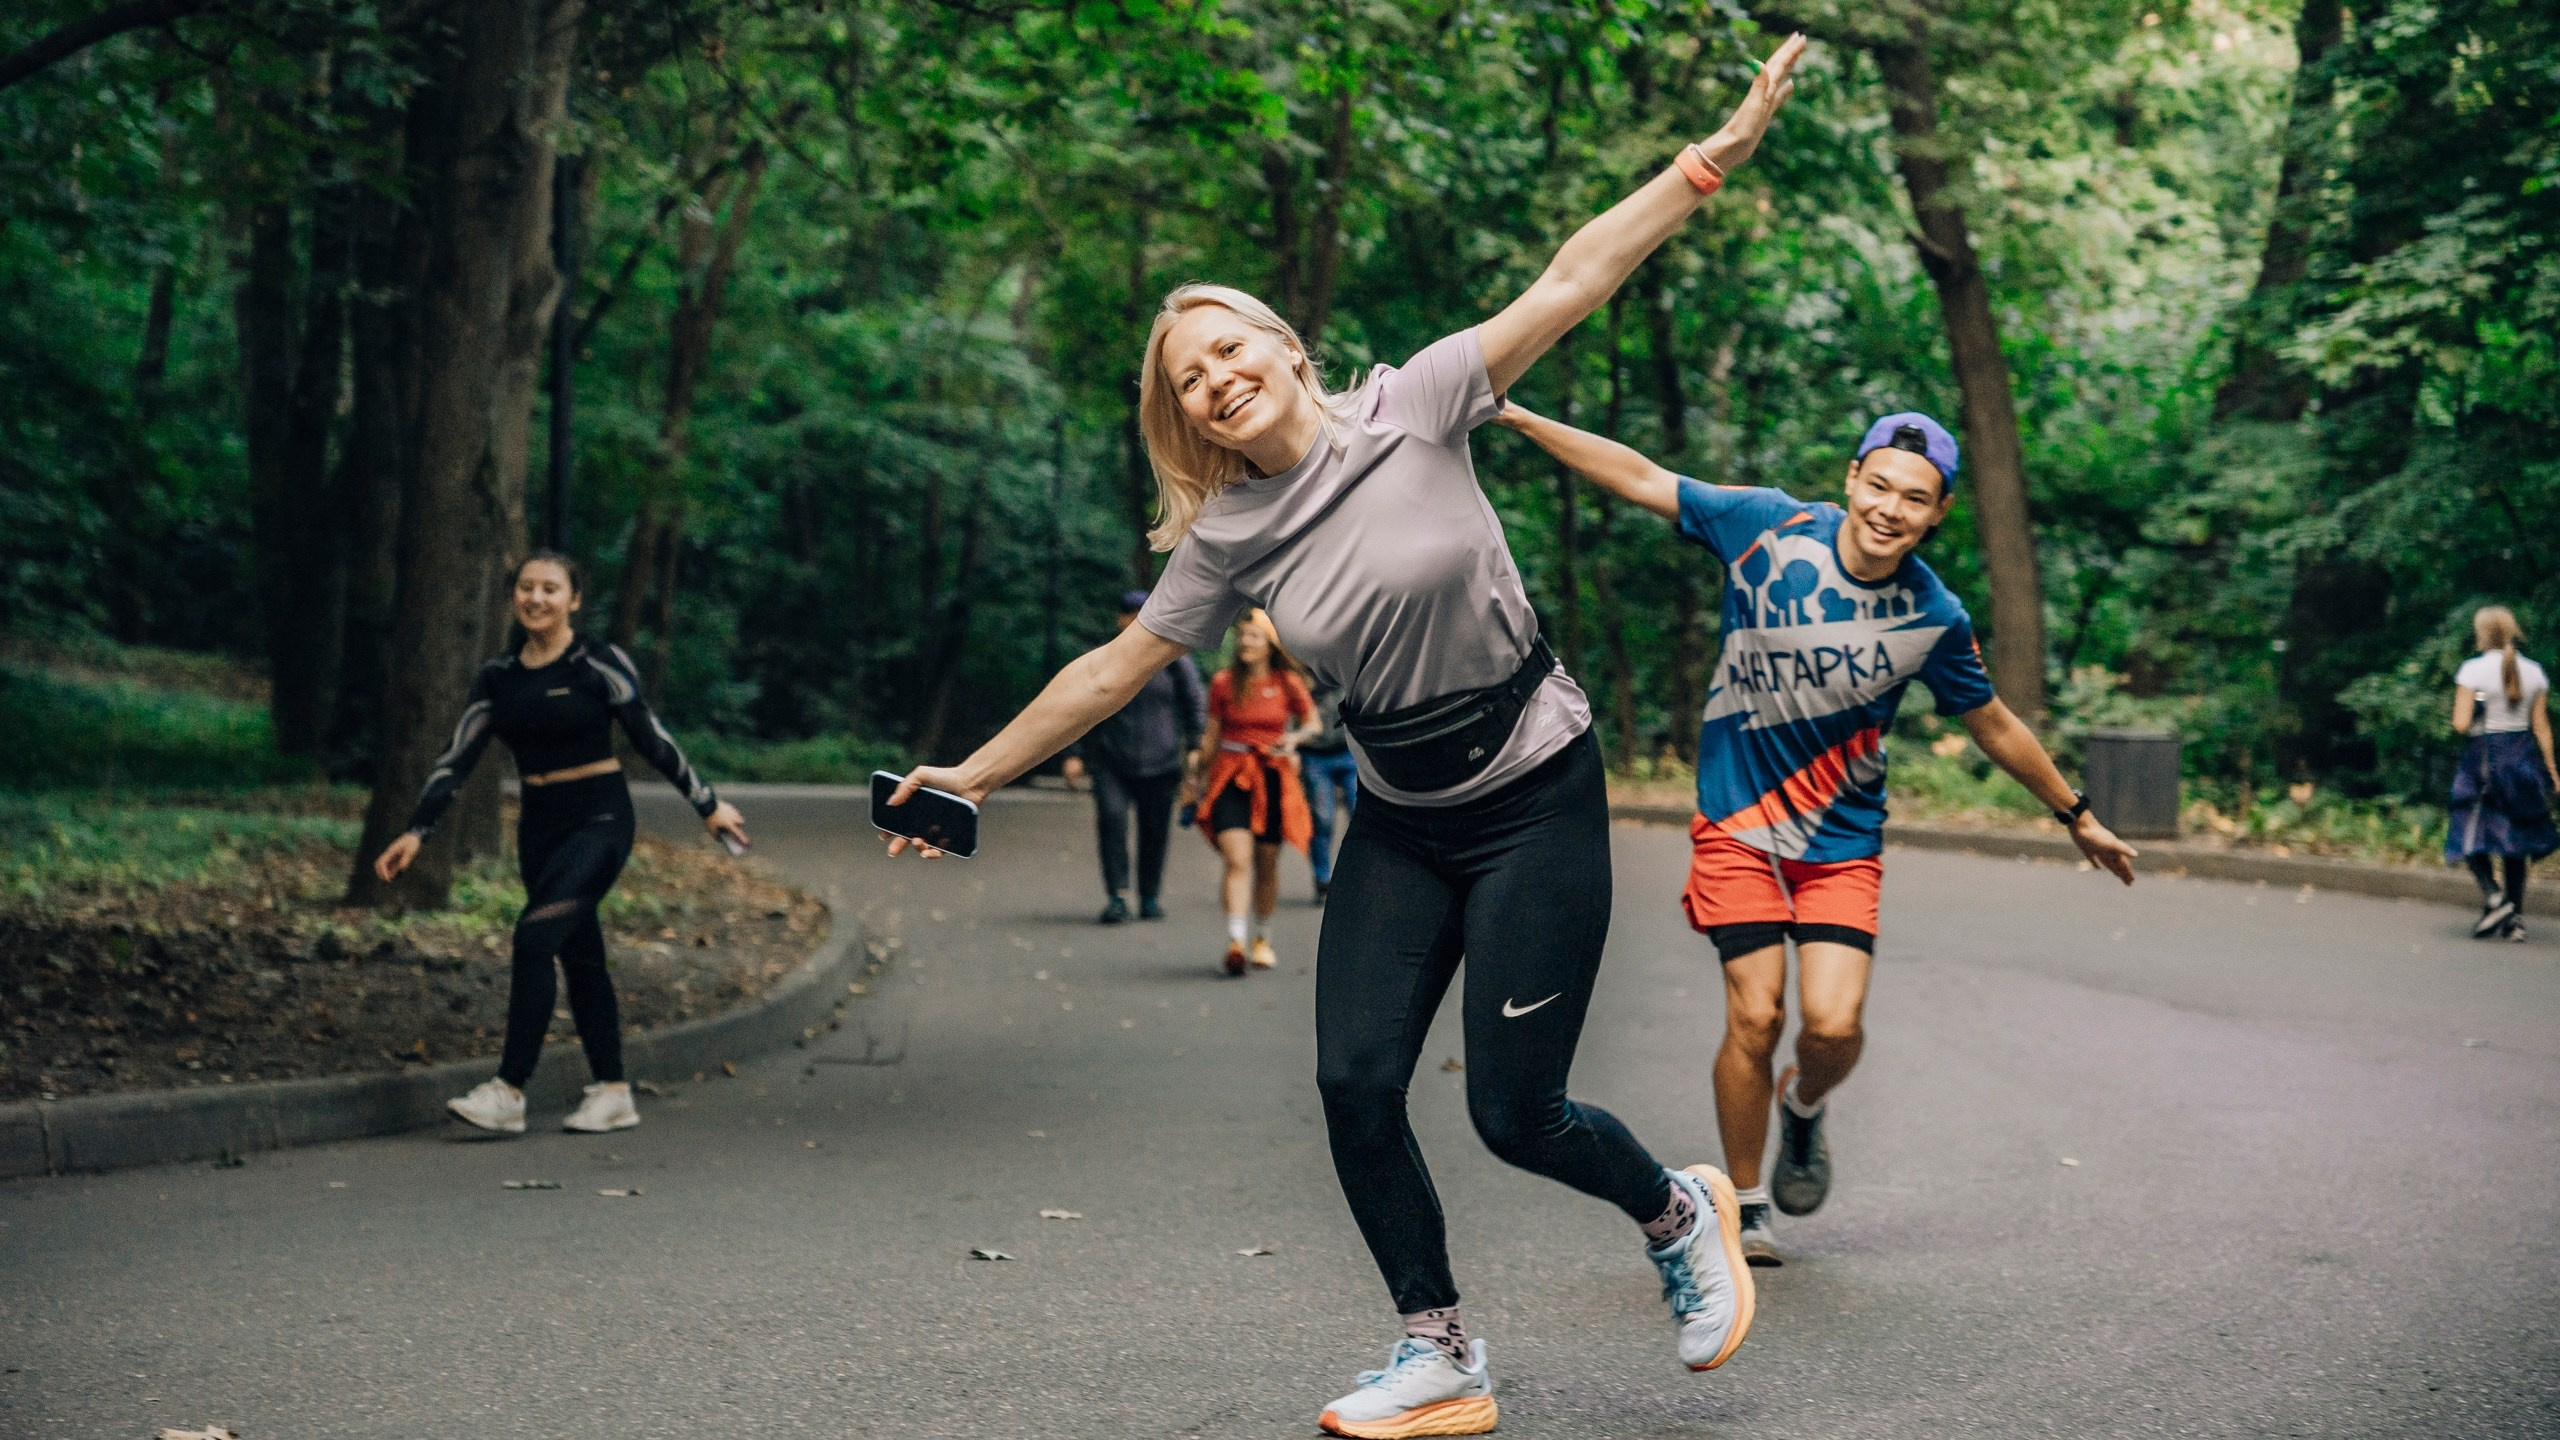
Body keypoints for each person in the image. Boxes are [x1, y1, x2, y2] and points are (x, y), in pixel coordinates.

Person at [881, 35, 1806, 1435]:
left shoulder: (1421, 402)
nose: (1214, 380)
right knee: (1355, 1081)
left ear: (1286, 347)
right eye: (1188, 380)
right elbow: (1116, 667)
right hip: (1407, 821)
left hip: (1537, 791)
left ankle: (1679, 1212)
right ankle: (1437, 1351)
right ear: (1184, 416)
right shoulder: (1227, 538)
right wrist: (972, 775)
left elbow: (1573, 275)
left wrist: (1707, 160)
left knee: (1515, 1114)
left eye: (1228, 349)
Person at [1492, 400, 2139, 1269]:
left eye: (1915, 498)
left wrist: (2078, 815)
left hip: (1841, 841)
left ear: (1938, 511)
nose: (1890, 509)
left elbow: (1991, 723)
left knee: (1831, 1026)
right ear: (1852, 480)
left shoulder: (1933, 615)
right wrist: (1516, 415)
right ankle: (1747, 1201)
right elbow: (1643, 476)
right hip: (1739, 827)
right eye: (1879, 486)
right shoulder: (1766, 529)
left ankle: (1804, 1110)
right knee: (1755, 1014)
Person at [373, 551, 748, 1136]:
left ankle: (509, 1090)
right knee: (580, 955)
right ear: (514, 597)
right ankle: (613, 1090)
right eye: (526, 587)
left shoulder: (598, 663)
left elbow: (650, 736)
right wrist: (417, 831)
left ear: (574, 599)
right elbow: (458, 757)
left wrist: (707, 804)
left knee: (533, 936)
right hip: (540, 828)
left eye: (551, 588)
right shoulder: (498, 677)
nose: (536, 598)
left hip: (599, 820)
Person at [1063, 589, 1207, 925]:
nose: (1135, 618)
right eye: (1130, 612)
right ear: (1120, 618)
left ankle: (1149, 896)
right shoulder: (1101, 658)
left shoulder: (1173, 662)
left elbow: (1194, 702)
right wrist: (1073, 753)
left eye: (1142, 611)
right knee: (1112, 821)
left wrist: (1195, 746)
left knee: (1154, 829)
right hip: (1111, 759)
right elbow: (1078, 708)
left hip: (1162, 761)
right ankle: (1117, 896)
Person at [1192, 609, 1318, 973]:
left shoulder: (1287, 683)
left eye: (1254, 636)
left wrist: (1293, 738)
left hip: (1272, 777)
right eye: (1242, 635)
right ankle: (1235, 941)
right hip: (1231, 777)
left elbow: (1312, 723)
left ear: (1270, 645)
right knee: (1237, 859)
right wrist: (1195, 780)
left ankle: (1261, 937)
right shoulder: (1223, 683)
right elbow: (1212, 736)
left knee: (1266, 862)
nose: (1245, 642)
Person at [2447, 605, 2555, 941]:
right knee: (2515, 839)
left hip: (2485, 761)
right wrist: (2552, 771)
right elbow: (2541, 727)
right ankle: (2515, 921)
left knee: (2466, 830)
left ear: (2482, 634)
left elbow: (2461, 724)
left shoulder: (2472, 670)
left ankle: (2495, 899)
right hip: (2522, 759)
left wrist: (2477, 710)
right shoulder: (2534, 672)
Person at [1300, 674, 1358, 904]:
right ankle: (1322, 878)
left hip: (1348, 753)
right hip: (1315, 756)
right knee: (1322, 817)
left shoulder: (1345, 666)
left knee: (1360, 812)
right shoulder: (1299, 672)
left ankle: (1359, 877)